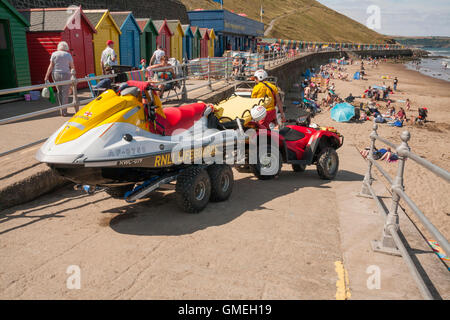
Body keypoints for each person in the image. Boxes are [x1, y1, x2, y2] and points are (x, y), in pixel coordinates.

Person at [44, 41, 75, 117]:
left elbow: (51, 66)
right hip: (66, 74)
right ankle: (64, 111)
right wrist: (73, 75)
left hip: (56, 74)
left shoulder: (54, 54)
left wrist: (46, 75)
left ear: (59, 47)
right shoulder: (68, 55)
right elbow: (72, 66)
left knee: (59, 92)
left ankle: (61, 109)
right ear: (66, 47)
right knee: (65, 93)